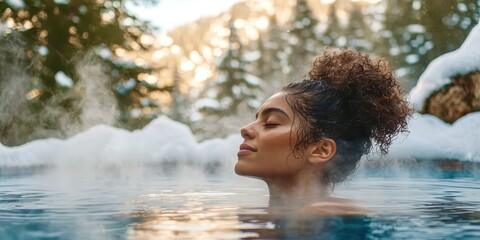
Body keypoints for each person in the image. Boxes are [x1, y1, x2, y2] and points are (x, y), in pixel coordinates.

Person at [235, 48, 412, 215]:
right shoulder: (278, 218)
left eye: (271, 123)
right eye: (256, 119)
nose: (246, 129)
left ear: (321, 150)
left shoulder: (328, 219)